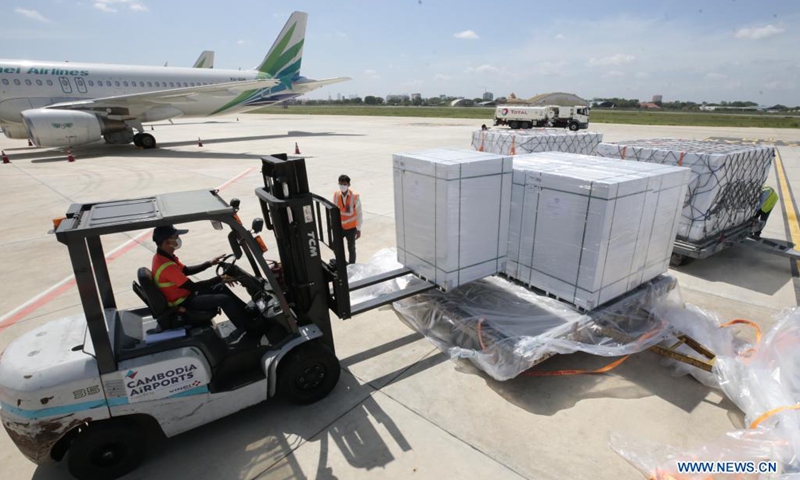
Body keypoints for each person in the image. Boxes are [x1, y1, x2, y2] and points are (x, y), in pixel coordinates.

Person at [151, 225, 259, 331]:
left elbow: (186, 270)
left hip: (186, 295)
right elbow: (192, 287)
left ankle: (247, 311)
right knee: (225, 300)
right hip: (183, 302)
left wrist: (209, 263)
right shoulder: (167, 266)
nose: (179, 239)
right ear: (167, 242)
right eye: (176, 237)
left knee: (220, 287)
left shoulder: (165, 257)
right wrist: (219, 278)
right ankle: (249, 328)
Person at [333, 174, 362, 264]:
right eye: (341, 184)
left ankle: (351, 266)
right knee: (335, 246)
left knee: (351, 249)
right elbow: (335, 210)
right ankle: (342, 263)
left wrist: (359, 229)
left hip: (351, 228)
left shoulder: (355, 196)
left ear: (349, 185)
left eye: (344, 184)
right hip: (340, 227)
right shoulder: (336, 195)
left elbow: (359, 213)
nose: (342, 186)